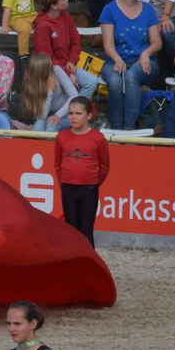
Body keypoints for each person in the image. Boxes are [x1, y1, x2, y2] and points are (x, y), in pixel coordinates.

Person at [100, 0, 162, 128]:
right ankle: (116, 126)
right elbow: (107, 44)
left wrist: (145, 54)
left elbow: (157, 43)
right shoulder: (109, 9)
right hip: (115, 60)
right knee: (114, 81)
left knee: (131, 75)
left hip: (144, 63)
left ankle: (129, 127)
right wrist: (117, 59)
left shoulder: (148, 10)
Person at [54, 97, 109, 245]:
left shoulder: (98, 138)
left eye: (78, 113)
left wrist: (93, 182)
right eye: (70, 113)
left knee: (86, 230)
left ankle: (88, 264)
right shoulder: (62, 137)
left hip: (89, 189)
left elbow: (104, 166)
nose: (73, 117)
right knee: (71, 229)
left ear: (89, 116)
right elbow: (58, 163)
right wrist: (65, 181)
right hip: (68, 188)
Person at [32, 0, 101, 103]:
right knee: (65, 88)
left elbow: (76, 41)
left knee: (91, 81)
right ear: (54, 5)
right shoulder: (42, 26)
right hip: (50, 70)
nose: (67, 0)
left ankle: (75, 114)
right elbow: (46, 58)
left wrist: (71, 61)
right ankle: (64, 117)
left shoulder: (65, 16)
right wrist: (68, 73)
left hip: (67, 64)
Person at [20, 53, 78, 131]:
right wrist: (49, 91)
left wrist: (58, 115)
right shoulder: (32, 85)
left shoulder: (57, 70)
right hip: (46, 116)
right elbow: (42, 116)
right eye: (49, 68)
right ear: (41, 72)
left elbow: (75, 96)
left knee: (51, 126)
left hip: (66, 115)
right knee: (37, 129)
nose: (52, 69)